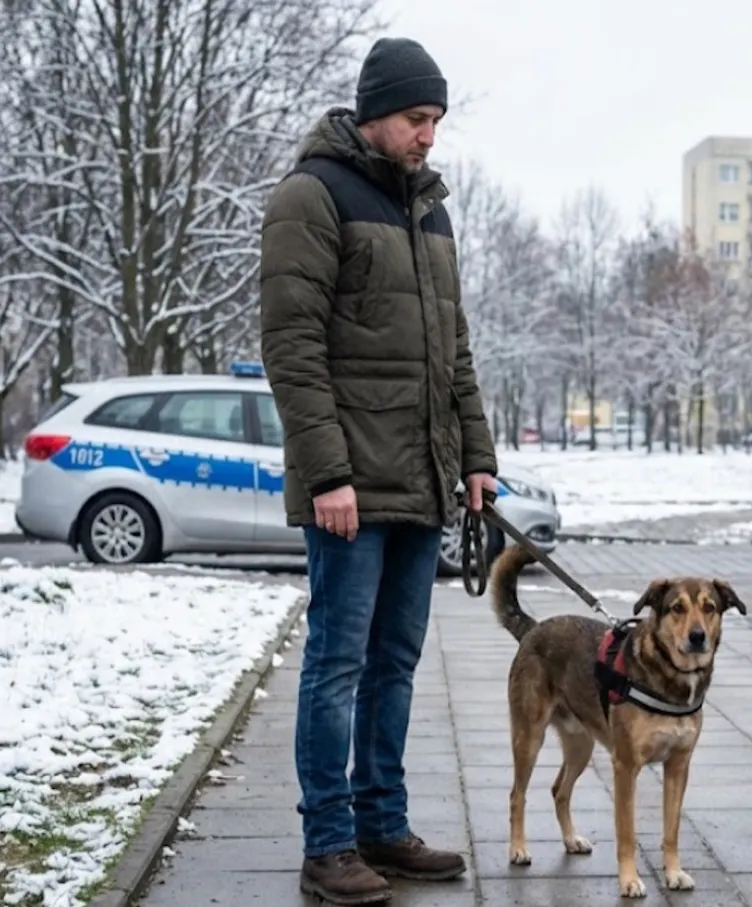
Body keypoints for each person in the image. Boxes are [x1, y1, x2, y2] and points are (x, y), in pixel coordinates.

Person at [258, 36, 499, 906]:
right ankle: (328, 845)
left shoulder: (429, 212)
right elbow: (291, 346)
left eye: (435, 120)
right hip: (350, 487)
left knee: (395, 661)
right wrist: (327, 473)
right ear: (374, 112)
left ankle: (381, 825)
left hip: (423, 480)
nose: (428, 135)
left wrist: (477, 458)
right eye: (415, 118)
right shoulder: (311, 195)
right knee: (336, 662)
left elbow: (454, 352)